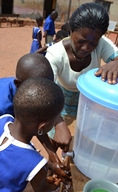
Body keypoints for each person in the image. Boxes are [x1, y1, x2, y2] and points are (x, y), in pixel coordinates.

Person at [0, 53, 71, 179]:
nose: (45, 93)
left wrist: (53, 156)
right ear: (18, 84)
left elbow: (37, 126)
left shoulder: (32, 92)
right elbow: (4, 146)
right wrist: (43, 165)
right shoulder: (0, 107)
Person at [0, 77, 65, 192]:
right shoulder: (36, 163)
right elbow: (41, 188)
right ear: (43, 126)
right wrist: (54, 185)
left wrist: (50, 165)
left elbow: (8, 158)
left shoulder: (1, 121)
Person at [45, 2, 118, 139]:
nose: (86, 48)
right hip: (59, 102)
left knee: (84, 139)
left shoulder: (101, 44)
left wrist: (116, 63)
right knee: (57, 137)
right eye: (80, 41)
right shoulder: (55, 54)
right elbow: (46, 93)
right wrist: (59, 123)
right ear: (71, 31)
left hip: (89, 102)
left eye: (93, 43)